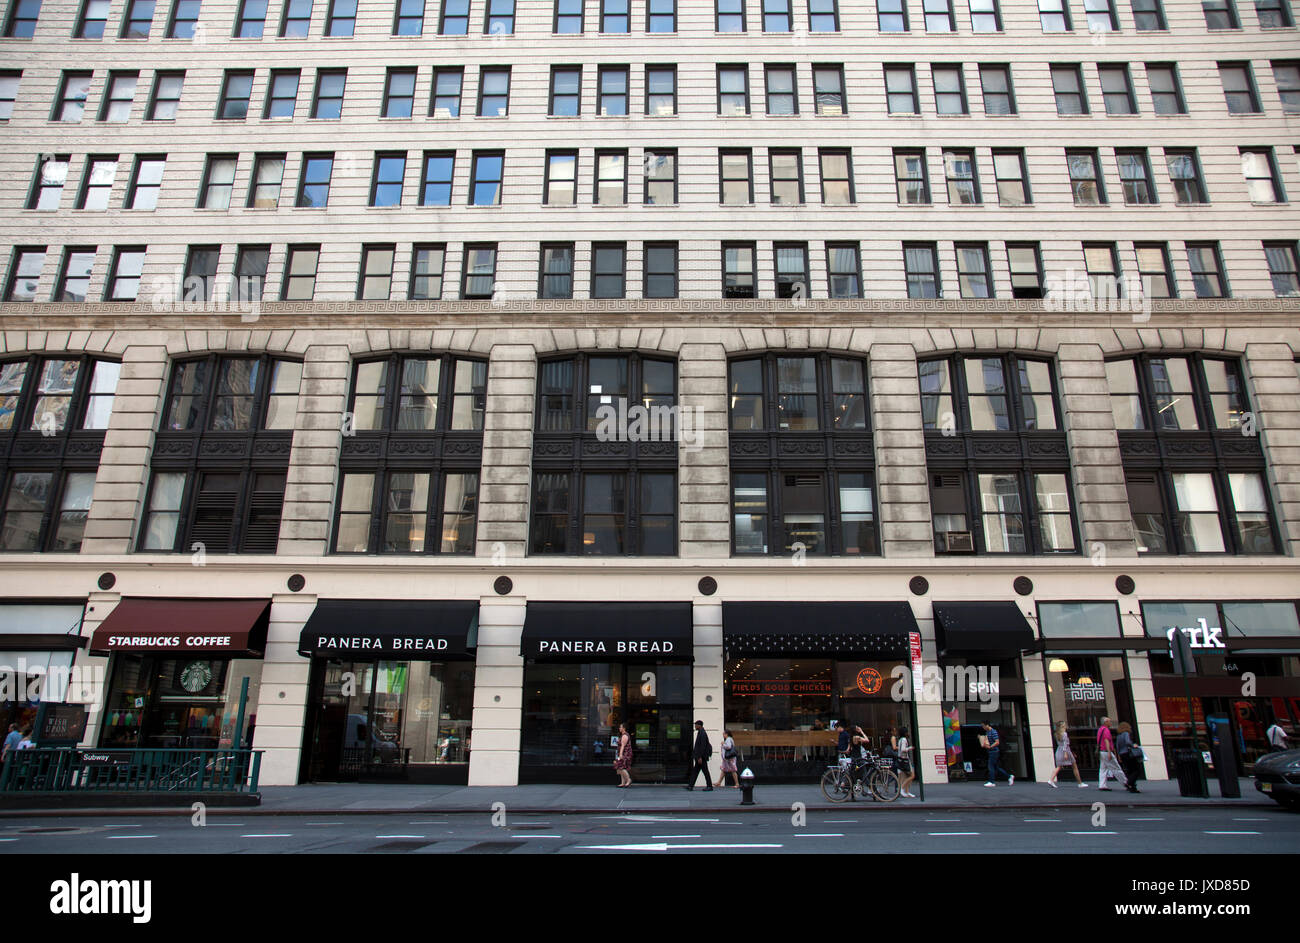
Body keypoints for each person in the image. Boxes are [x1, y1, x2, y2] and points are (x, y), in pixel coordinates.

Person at [1048, 721, 1086, 788]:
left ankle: (1051, 780)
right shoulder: (1064, 734)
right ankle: (1080, 783)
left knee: (1059, 766)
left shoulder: (1057, 734)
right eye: (1065, 725)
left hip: (1059, 750)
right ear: (1062, 726)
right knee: (1074, 766)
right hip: (1065, 751)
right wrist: (1065, 753)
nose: (1066, 726)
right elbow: (1065, 744)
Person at [1096, 717, 1128, 791]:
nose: (1110, 723)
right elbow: (1106, 740)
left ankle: (1102, 785)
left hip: (1101, 751)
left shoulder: (1100, 729)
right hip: (1106, 751)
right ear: (1106, 722)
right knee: (1116, 768)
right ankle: (1126, 783)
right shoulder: (1106, 730)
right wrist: (1109, 752)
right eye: (1109, 721)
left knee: (1103, 769)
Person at [982, 722, 1013, 787]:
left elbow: (997, 742)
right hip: (991, 751)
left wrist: (990, 746)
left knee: (990, 766)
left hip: (994, 751)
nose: (983, 727)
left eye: (983, 726)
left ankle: (992, 782)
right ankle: (1009, 776)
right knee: (996, 767)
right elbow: (987, 741)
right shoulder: (987, 732)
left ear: (987, 725)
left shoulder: (993, 732)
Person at [684, 720, 713, 791]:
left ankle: (709, 786)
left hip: (701, 757)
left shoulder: (702, 733)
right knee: (695, 771)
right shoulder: (700, 732)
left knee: (705, 771)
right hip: (700, 757)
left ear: (699, 725)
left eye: (696, 725)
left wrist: (700, 757)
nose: (695, 726)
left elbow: (702, 746)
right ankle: (691, 786)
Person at [1116, 721, 1142, 793]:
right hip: (1128, 753)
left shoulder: (1119, 736)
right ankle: (1130, 782)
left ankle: (1132, 787)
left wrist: (1119, 756)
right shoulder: (1126, 734)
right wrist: (1133, 745)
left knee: (1129, 770)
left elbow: (1117, 747)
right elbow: (1127, 742)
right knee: (1136, 769)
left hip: (1122, 754)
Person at [894, 726, 916, 798]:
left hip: (901, 760)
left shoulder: (900, 740)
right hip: (905, 760)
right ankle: (902, 789)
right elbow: (903, 749)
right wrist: (910, 748)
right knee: (912, 775)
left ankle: (907, 792)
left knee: (907, 776)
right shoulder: (904, 739)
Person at [613, 723, 633, 788]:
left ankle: (628, 780)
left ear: (624, 728)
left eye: (620, 727)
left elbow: (623, 746)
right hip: (623, 753)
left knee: (620, 766)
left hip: (625, 754)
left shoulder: (625, 736)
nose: (619, 728)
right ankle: (623, 783)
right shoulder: (622, 735)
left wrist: (621, 754)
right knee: (622, 767)